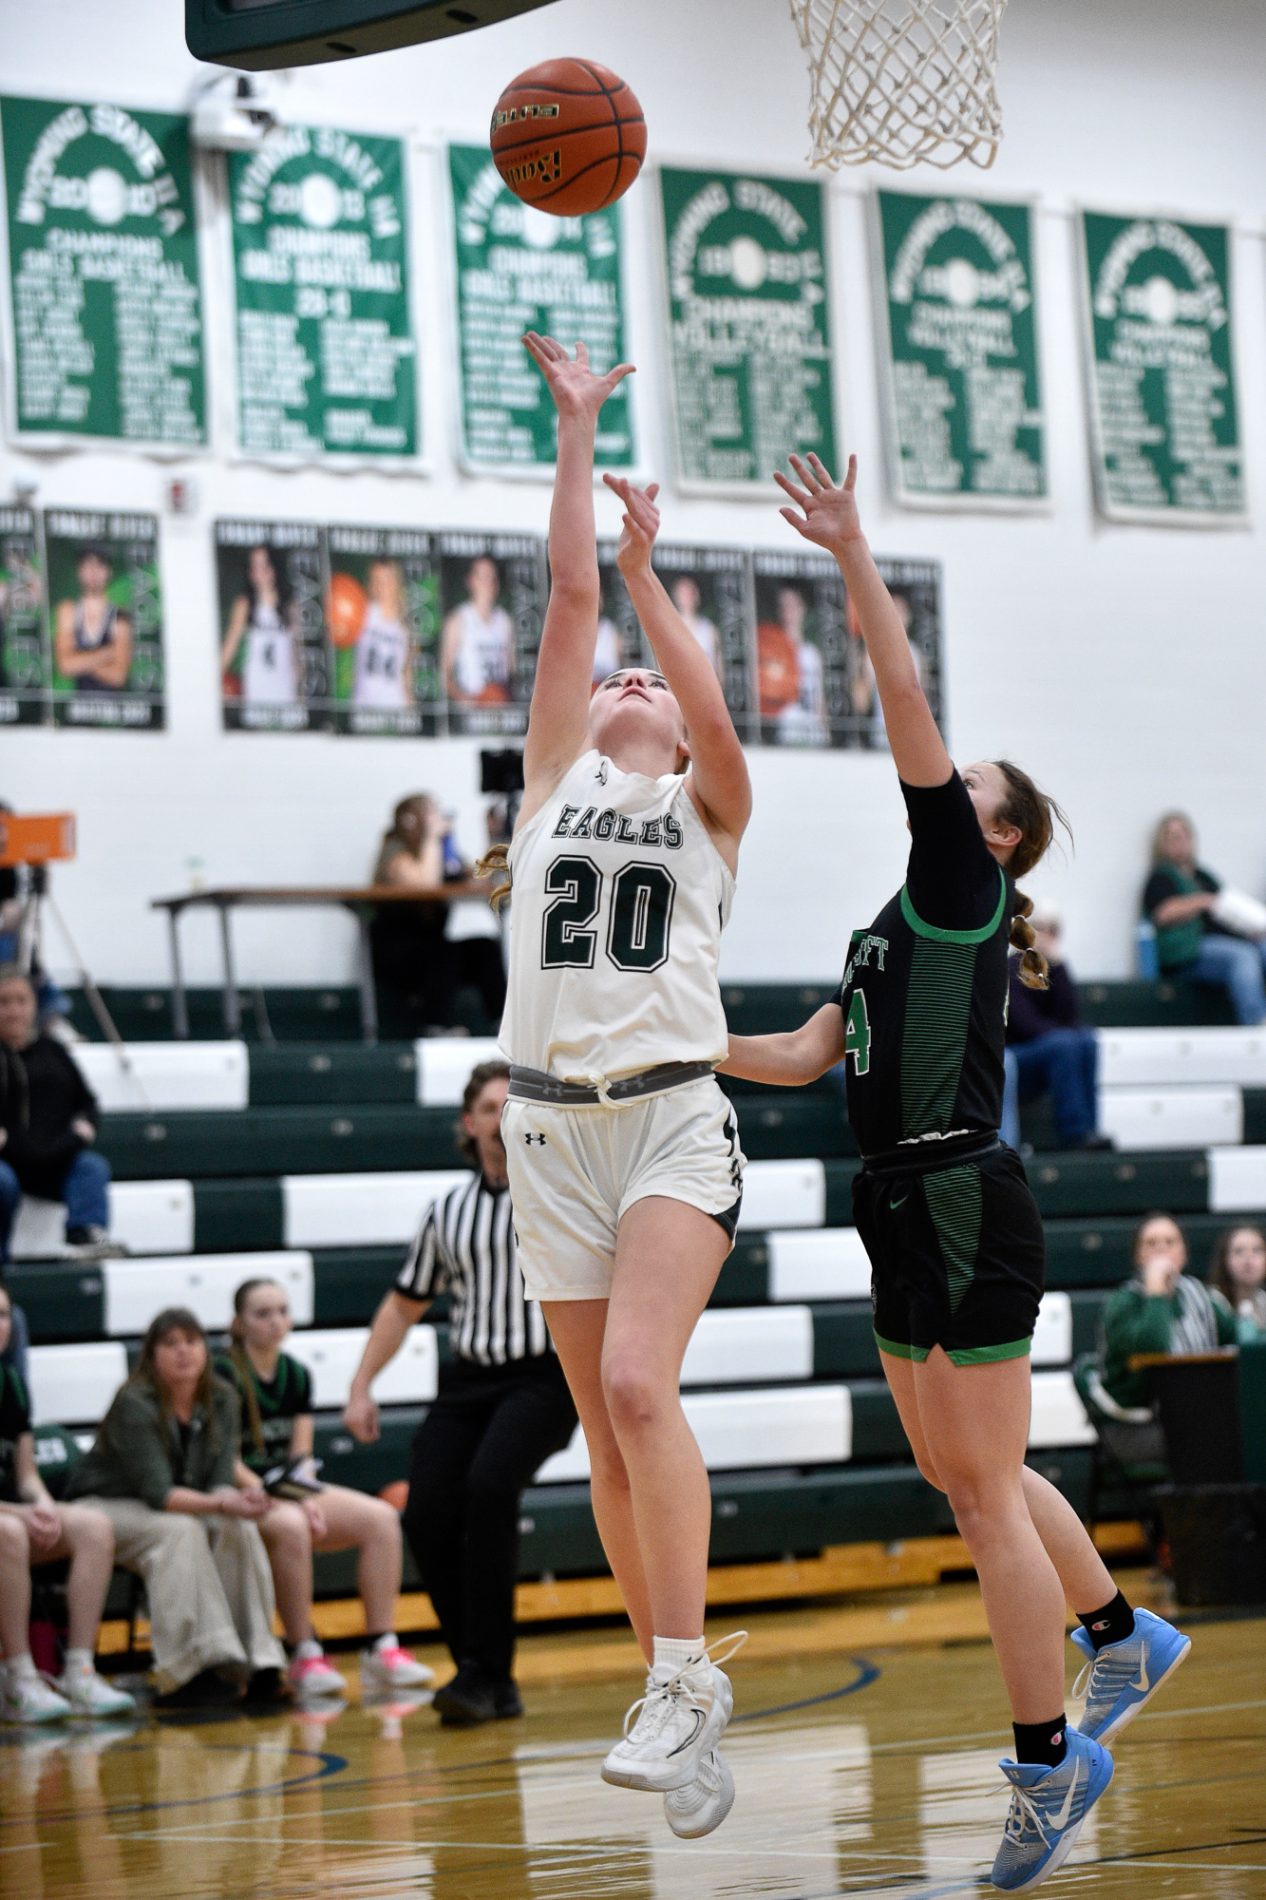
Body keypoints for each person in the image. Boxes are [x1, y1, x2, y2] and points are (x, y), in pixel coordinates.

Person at [720, 449, 1189, 1893]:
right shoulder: (900, 914)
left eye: (968, 777)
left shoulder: (960, 873)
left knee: (983, 1495)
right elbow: (810, 1050)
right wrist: (669, 1038)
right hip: (897, 1196)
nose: (946, 767)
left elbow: (901, 696)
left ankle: (1051, 1760)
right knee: (957, 1470)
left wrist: (853, 556)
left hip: (963, 1191)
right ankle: (1119, 1635)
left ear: (997, 831)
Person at [480, 331, 751, 1841]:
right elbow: (568, 602)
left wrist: (655, 578)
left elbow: (688, 686)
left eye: (652, 673)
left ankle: (682, 1677)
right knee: (603, 1426)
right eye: (612, 681)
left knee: (643, 1385)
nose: (629, 674)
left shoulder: (709, 804)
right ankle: (675, 1696)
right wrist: (575, 427)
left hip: (666, 1117)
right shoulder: (550, 789)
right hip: (545, 1127)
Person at [343, 1060, 576, 1725]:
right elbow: (404, 1304)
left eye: (512, 1105)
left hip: (543, 1376)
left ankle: (484, 1673)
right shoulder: (447, 1211)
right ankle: (482, 1673)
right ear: (469, 1123)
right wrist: (361, 1384)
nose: (502, 1118)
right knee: (424, 1512)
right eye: (490, 1107)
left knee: (490, 1487)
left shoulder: (562, 1194)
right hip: (469, 1378)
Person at [218, 1278, 432, 1701]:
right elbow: (225, 1459)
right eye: (262, 1314)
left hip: (285, 1489)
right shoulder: (224, 1373)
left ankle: (381, 1646)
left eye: (282, 1311)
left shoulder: (297, 1374)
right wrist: (282, 1497)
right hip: (239, 1493)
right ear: (238, 1323)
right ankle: (304, 1652)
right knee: (292, 1525)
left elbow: (301, 1456)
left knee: (381, 1518)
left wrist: (301, 1494)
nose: (275, 1321)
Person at [64, 1307, 286, 1709]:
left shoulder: (223, 1397)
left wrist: (241, 1500)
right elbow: (159, 1494)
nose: (183, 1351)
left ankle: (258, 1660)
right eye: (170, 1343)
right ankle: (187, 1670)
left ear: (205, 1350)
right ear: (151, 1355)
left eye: (191, 1341)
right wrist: (223, 1502)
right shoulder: (134, 1401)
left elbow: (220, 1478)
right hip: (104, 1505)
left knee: (238, 1526)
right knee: (181, 1530)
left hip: (180, 1501)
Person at [0, 1282, 136, 1723]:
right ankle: (20, 1679)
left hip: (11, 1518)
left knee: (93, 1525)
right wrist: (20, 1514)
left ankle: (79, 1670)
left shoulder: (10, 1383)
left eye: (4, 1315)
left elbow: (26, 1474)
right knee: (10, 1532)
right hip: (6, 1525)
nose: (0, 1325)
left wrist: (41, 1504)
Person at [0, 967, 124, 1263]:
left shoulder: (52, 1050)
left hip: (54, 1155)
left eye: (21, 1001)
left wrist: (85, 1126)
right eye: (4, 1002)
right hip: (7, 1158)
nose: (14, 1010)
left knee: (91, 1167)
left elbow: (87, 1102)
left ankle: (86, 1235)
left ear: (34, 1004)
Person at [1099, 1213, 1238, 1413]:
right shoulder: (1123, 1302)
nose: (1161, 1249)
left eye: (1170, 1242)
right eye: (1151, 1243)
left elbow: (1236, 1337)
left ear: (1183, 1255)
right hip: (1137, 1414)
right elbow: (1153, 1350)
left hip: (1197, 1404)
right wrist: (1156, 1292)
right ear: (1138, 1256)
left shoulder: (1199, 1294)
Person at [1000, 906, 1110, 1152]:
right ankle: (1074, 1133)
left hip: (1050, 1052)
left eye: (1053, 930)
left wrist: (1057, 967)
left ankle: (1090, 1130)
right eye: (1040, 928)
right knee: (1065, 1043)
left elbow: (1071, 1018)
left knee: (1087, 1040)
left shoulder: (1055, 970)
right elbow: (1024, 1025)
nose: (1046, 936)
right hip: (1016, 1056)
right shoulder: (1011, 969)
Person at [1142, 812, 1266, 1025]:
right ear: (1161, 843)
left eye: (1183, 835)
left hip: (1224, 942)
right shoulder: (1160, 878)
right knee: (1243, 957)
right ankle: (1257, 1024)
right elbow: (1163, 914)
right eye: (1171, 836)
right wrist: (1202, 901)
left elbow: (1228, 908)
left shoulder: (1203, 876)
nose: (1179, 841)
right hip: (1187, 955)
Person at [369, 795, 457, 1035]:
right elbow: (425, 886)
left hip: (432, 944)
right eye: (431, 814)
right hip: (399, 953)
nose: (439, 819)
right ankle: (436, 1026)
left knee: (483, 949)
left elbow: (470, 875)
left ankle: (501, 1024)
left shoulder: (439, 850)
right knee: (441, 954)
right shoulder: (395, 852)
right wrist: (431, 838)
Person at [219, 544, 300, 710]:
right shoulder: (245, 604)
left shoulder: (290, 605)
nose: (259, 572)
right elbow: (229, 647)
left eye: (264, 565)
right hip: (257, 688)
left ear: (274, 568)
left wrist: (300, 691)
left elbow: (298, 652)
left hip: (285, 688)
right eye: (254, 566)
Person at [54, 545, 132, 695]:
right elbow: (65, 666)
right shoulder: (68, 610)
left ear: (108, 572)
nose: (93, 572)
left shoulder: (120, 615)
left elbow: (118, 676)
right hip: (79, 705)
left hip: (113, 705)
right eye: (87, 566)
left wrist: (79, 660)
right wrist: (109, 652)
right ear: (79, 572)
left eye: (99, 566)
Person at [442, 554, 513, 705]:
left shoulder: (505, 621)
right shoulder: (458, 620)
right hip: (471, 712)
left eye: (492, 577)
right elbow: (444, 676)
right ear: (471, 581)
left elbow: (512, 670)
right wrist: (468, 700)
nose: (487, 583)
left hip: (501, 709)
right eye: (482, 576)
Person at [353, 559, 414, 711]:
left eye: (387, 579)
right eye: (377, 580)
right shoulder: (363, 613)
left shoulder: (407, 625)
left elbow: (407, 673)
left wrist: (411, 710)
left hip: (396, 706)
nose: (382, 586)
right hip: (364, 706)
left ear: (397, 582)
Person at [1208, 1223, 1266, 1342]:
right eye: (1239, 1251)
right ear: (1224, 1260)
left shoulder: (1263, 1300)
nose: (1248, 1259)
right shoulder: (1212, 1302)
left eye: (1257, 1250)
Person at [668, 574, 723, 678]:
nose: (687, 598)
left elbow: (719, 663)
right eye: (683, 594)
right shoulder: (668, 629)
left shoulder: (709, 629)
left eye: (690, 593)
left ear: (697, 596)